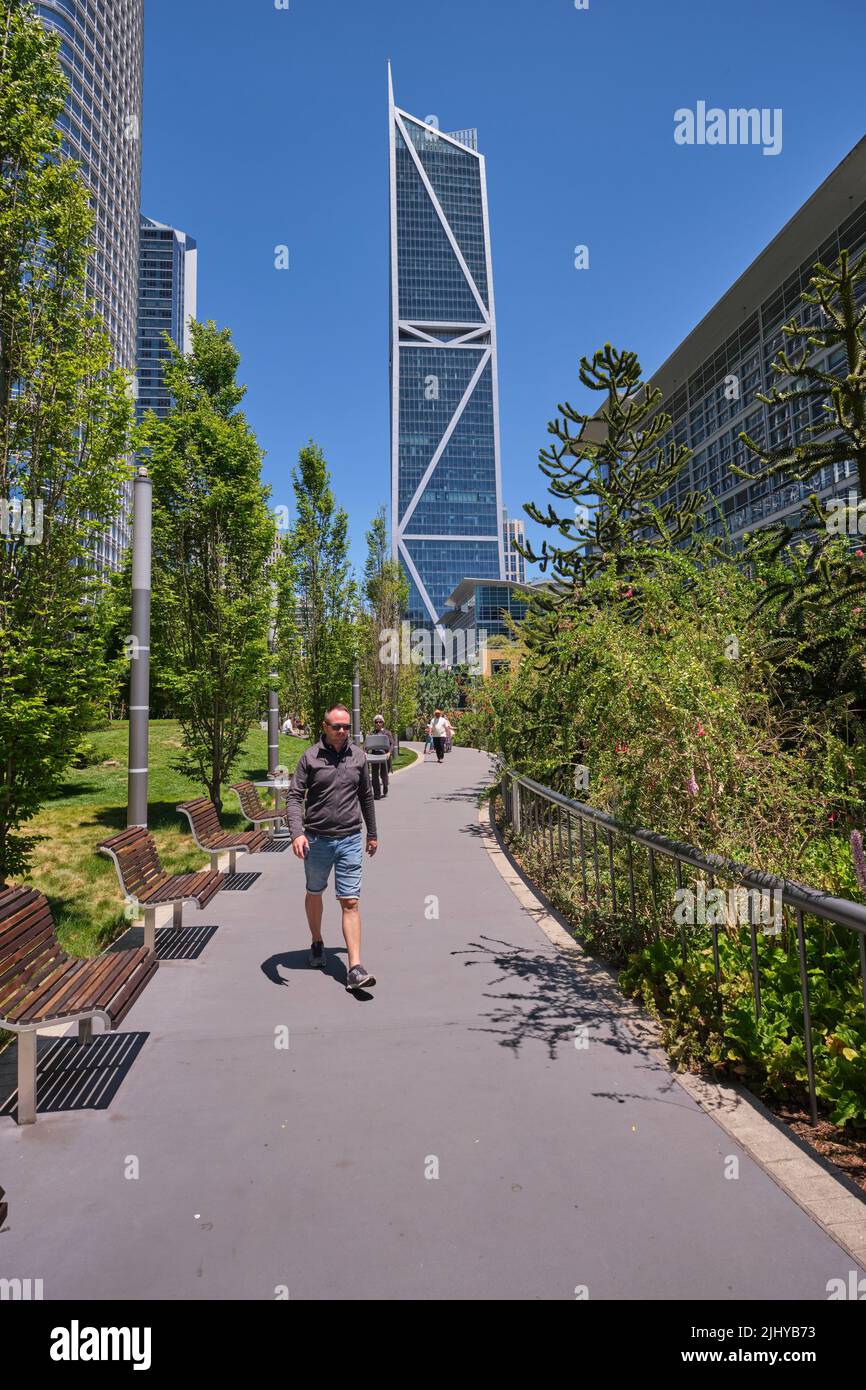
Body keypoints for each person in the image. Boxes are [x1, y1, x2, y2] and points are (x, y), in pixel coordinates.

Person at [286, 702, 379, 991]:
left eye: (347, 727)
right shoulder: (310, 758)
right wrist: (297, 834)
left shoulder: (358, 757)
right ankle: (316, 941)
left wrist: (372, 833)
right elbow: (293, 797)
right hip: (316, 840)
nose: (342, 731)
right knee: (315, 891)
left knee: (350, 900)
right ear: (325, 727)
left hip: (350, 838)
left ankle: (355, 967)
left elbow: (366, 796)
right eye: (337, 726)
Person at [368, 713, 395, 800]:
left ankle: (385, 786)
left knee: (384, 774)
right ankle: (377, 794)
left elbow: (392, 744)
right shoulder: (371, 733)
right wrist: (365, 752)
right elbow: (366, 744)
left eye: (380, 722)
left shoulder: (387, 733)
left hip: (384, 755)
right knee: (375, 775)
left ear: (383, 723)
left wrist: (389, 753)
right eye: (376, 722)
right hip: (374, 755)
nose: (378, 723)